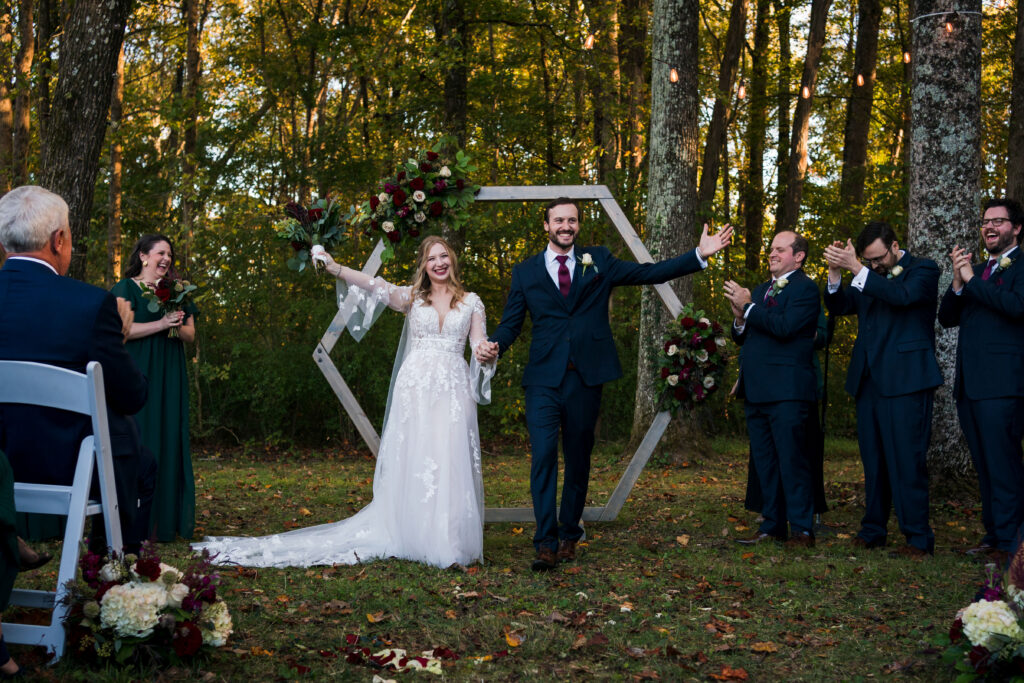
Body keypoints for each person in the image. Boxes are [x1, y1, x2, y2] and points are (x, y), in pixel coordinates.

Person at [194, 236, 495, 568]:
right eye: (430, 258)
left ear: (452, 259)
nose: (438, 263)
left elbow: (478, 342)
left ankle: (449, 541)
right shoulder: (412, 298)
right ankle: (417, 535)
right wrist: (335, 267)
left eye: (443, 256)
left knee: (450, 457)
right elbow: (372, 283)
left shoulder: (471, 303)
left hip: (453, 389)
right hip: (416, 390)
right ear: (423, 265)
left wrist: (485, 352)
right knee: (419, 457)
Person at [476, 198, 733, 571]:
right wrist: (495, 344)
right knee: (545, 455)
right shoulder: (525, 272)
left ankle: (568, 537)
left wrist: (697, 254)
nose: (566, 226)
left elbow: (650, 273)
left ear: (578, 225)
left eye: (572, 220)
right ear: (546, 226)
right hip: (543, 380)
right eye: (559, 220)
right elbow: (512, 322)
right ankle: (545, 542)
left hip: (586, 376)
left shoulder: (599, 260)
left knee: (579, 457)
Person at [0, 185, 155, 555]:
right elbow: (132, 396)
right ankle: (114, 576)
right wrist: (116, 336)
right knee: (139, 461)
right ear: (59, 240)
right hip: (64, 466)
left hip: (2, 462)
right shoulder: (89, 304)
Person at [824, 222, 942, 558]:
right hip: (869, 379)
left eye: (877, 258)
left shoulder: (923, 269)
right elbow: (840, 305)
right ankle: (873, 530)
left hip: (907, 380)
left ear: (894, 245)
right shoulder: (866, 276)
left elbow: (902, 297)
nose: (874, 265)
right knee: (873, 461)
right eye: (867, 260)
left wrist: (858, 269)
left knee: (907, 460)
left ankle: (918, 538)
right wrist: (835, 275)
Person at [938, 198, 1024, 566]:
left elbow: (1016, 308)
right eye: (985, 222)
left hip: (1004, 384)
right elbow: (946, 319)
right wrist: (959, 283)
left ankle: (1012, 542)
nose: (989, 228)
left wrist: (972, 280)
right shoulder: (975, 270)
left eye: (999, 222)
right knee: (984, 465)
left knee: (1003, 464)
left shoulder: (1020, 266)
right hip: (970, 385)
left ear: (1016, 228)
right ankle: (994, 534)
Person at [723, 231, 820, 548]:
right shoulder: (762, 290)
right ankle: (772, 525)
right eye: (771, 249)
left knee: (793, 461)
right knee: (765, 462)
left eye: (780, 249)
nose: (772, 254)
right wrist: (739, 319)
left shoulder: (806, 289)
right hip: (757, 390)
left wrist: (748, 307)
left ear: (799, 256)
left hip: (788, 392)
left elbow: (785, 327)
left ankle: (803, 530)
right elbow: (745, 335)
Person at [111, 235, 198, 542]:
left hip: (171, 371)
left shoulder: (176, 290)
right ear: (144, 256)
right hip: (138, 371)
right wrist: (161, 324)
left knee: (168, 432)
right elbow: (121, 331)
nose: (167, 259)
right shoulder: (124, 289)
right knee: (142, 433)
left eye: (170, 254)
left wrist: (175, 323)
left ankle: (166, 520)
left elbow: (189, 335)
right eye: (161, 253)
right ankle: (134, 521)